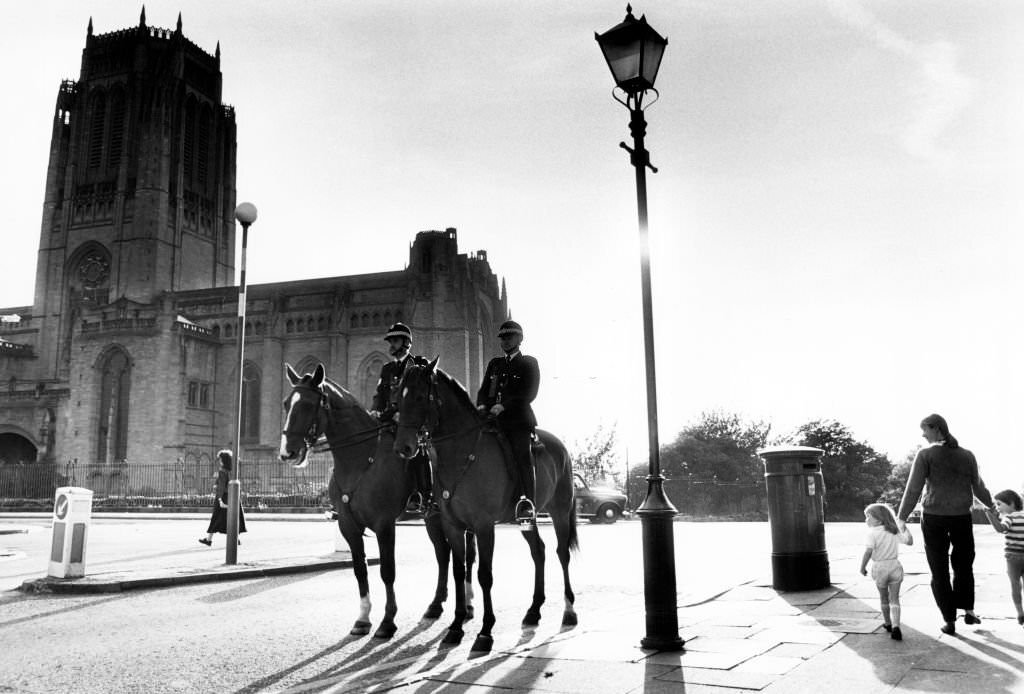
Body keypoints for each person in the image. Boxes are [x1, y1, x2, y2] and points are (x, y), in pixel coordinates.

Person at [896, 413, 995, 635]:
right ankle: (968, 610)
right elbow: (979, 487)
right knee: (964, 564)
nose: (923, 434)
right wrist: (992, 507)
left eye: (925, 429)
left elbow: (913, 489)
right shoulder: (967, 455)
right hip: (961, 517)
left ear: (937, 429)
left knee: (938, 569)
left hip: (934, 518)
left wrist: (901, 517)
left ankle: (949, 620)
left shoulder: (926, 455)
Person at [476, 319, 540, 525]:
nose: (505, 341)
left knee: (522, 456)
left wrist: (504, 406)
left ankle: (527, 502)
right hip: (492, 420)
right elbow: (483, 390)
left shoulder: (528, 363)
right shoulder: (495, 364)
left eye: (509, 337)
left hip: (517, 421)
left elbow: (529, 393)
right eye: (502, 337)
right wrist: (481, 407)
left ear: (519, 339)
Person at [369, 322, 432, 515]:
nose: (392, 345)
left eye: (395, 341)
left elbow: (421, 395)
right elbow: (380, 395)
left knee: (416, 452)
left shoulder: (419, 363)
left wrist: (402, 414)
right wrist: (375, 410)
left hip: (413, 422)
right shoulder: (387, 368)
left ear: (406, 343)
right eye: (391, 341)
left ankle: (421, 495)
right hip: (389, 420)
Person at [860, 502, 913, 641]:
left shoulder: (871, 533)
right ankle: (896, 626)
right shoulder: (893, 530)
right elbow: (909, 541)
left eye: (868, 517)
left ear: (878, 519)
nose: (866, 520)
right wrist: (905, 528)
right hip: (895, 566)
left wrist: (862, 567)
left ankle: (887, 623)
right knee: (894, 598)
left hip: (880, 568)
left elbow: (868, 552)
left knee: (884, 598)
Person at [983, 489, 1024, 625]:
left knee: (1015, 585)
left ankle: (1019, 613)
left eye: (999, 504)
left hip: (1013, 558)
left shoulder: (1009, 517)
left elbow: (1001, 529)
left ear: (1011, 503)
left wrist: (989, 515)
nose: (997, 508)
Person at [199, 449, 246, 546]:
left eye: (220, 459)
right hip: (233, 496)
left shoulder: (222, 471)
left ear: (224, 460)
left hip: (224, 497)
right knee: (233, 518)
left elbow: (221, 486)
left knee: (216, 518)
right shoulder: (234, 470)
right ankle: (235, 539)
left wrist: (220, 499)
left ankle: (209, 539)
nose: (219, 461)